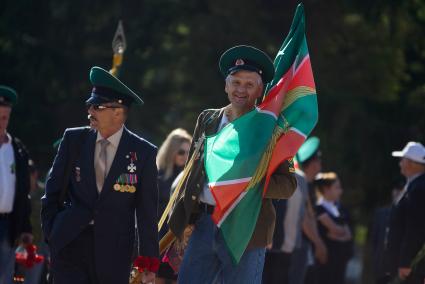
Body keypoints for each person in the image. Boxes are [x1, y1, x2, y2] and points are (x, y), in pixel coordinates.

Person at [167, 45, 297, 283]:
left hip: (246, 229)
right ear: (226, 85)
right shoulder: (208, 119)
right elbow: (192, 173)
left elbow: (288, 184)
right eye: (236, 82)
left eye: (249, 84)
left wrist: (249, 185)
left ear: (260, 90)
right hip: (204, 223)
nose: (241, 90)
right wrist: (186, 219)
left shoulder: (271, 128)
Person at [41, 66, 159, 284]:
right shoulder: (73, 140)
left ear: (118, 112)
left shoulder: (143, 153)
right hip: (70, 243)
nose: (90, 112)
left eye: (98, 106)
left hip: (114, 252)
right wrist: (52, 233)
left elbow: (147, 212)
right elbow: (52, 192)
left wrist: (148, 262)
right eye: (90, 105)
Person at [0, 85, 33, 284]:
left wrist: (26, 227)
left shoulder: (17, 149)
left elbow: (23, 192)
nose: (1, 122)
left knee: (5, 276)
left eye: (4, 117)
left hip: (8, 224)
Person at [288, 137, 327, 284]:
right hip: (297, 245)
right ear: (312, 163)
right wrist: (318, 243)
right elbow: (303, 218)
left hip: (303, 246)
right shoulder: (300, 183)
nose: (320, 165)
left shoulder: (309, 186)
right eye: (318, 161)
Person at [156, 128, 192, 284]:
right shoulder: (157, 176)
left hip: (180, 241)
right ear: (171, 151)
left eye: (189, 152)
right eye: (181, 152)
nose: (186, 156)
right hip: (159, 238)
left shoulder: (192, 178)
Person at [386, 142, 425, 283]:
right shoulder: (414, 186)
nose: (400, 163)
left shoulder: (419, 189)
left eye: (402, 160)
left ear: (410, 163)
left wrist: (406, 261)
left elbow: (416, 228)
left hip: (413, 267)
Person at [314, 172, 353, 284]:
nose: (340, 191)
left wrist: (336, 233)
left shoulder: (341, 209)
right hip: (324, 261)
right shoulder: (318, 209)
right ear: (326, 189)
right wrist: (340, 232)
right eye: (337, 187)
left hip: (340, 261)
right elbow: (337, 230)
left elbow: (348, 234)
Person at [370, 181, 404, 284]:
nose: (397, 192)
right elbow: (375, 239)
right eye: (396, 189)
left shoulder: (408, 215)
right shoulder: (381, 213)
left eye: (401, 190)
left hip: (398, 266)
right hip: (380, 264)